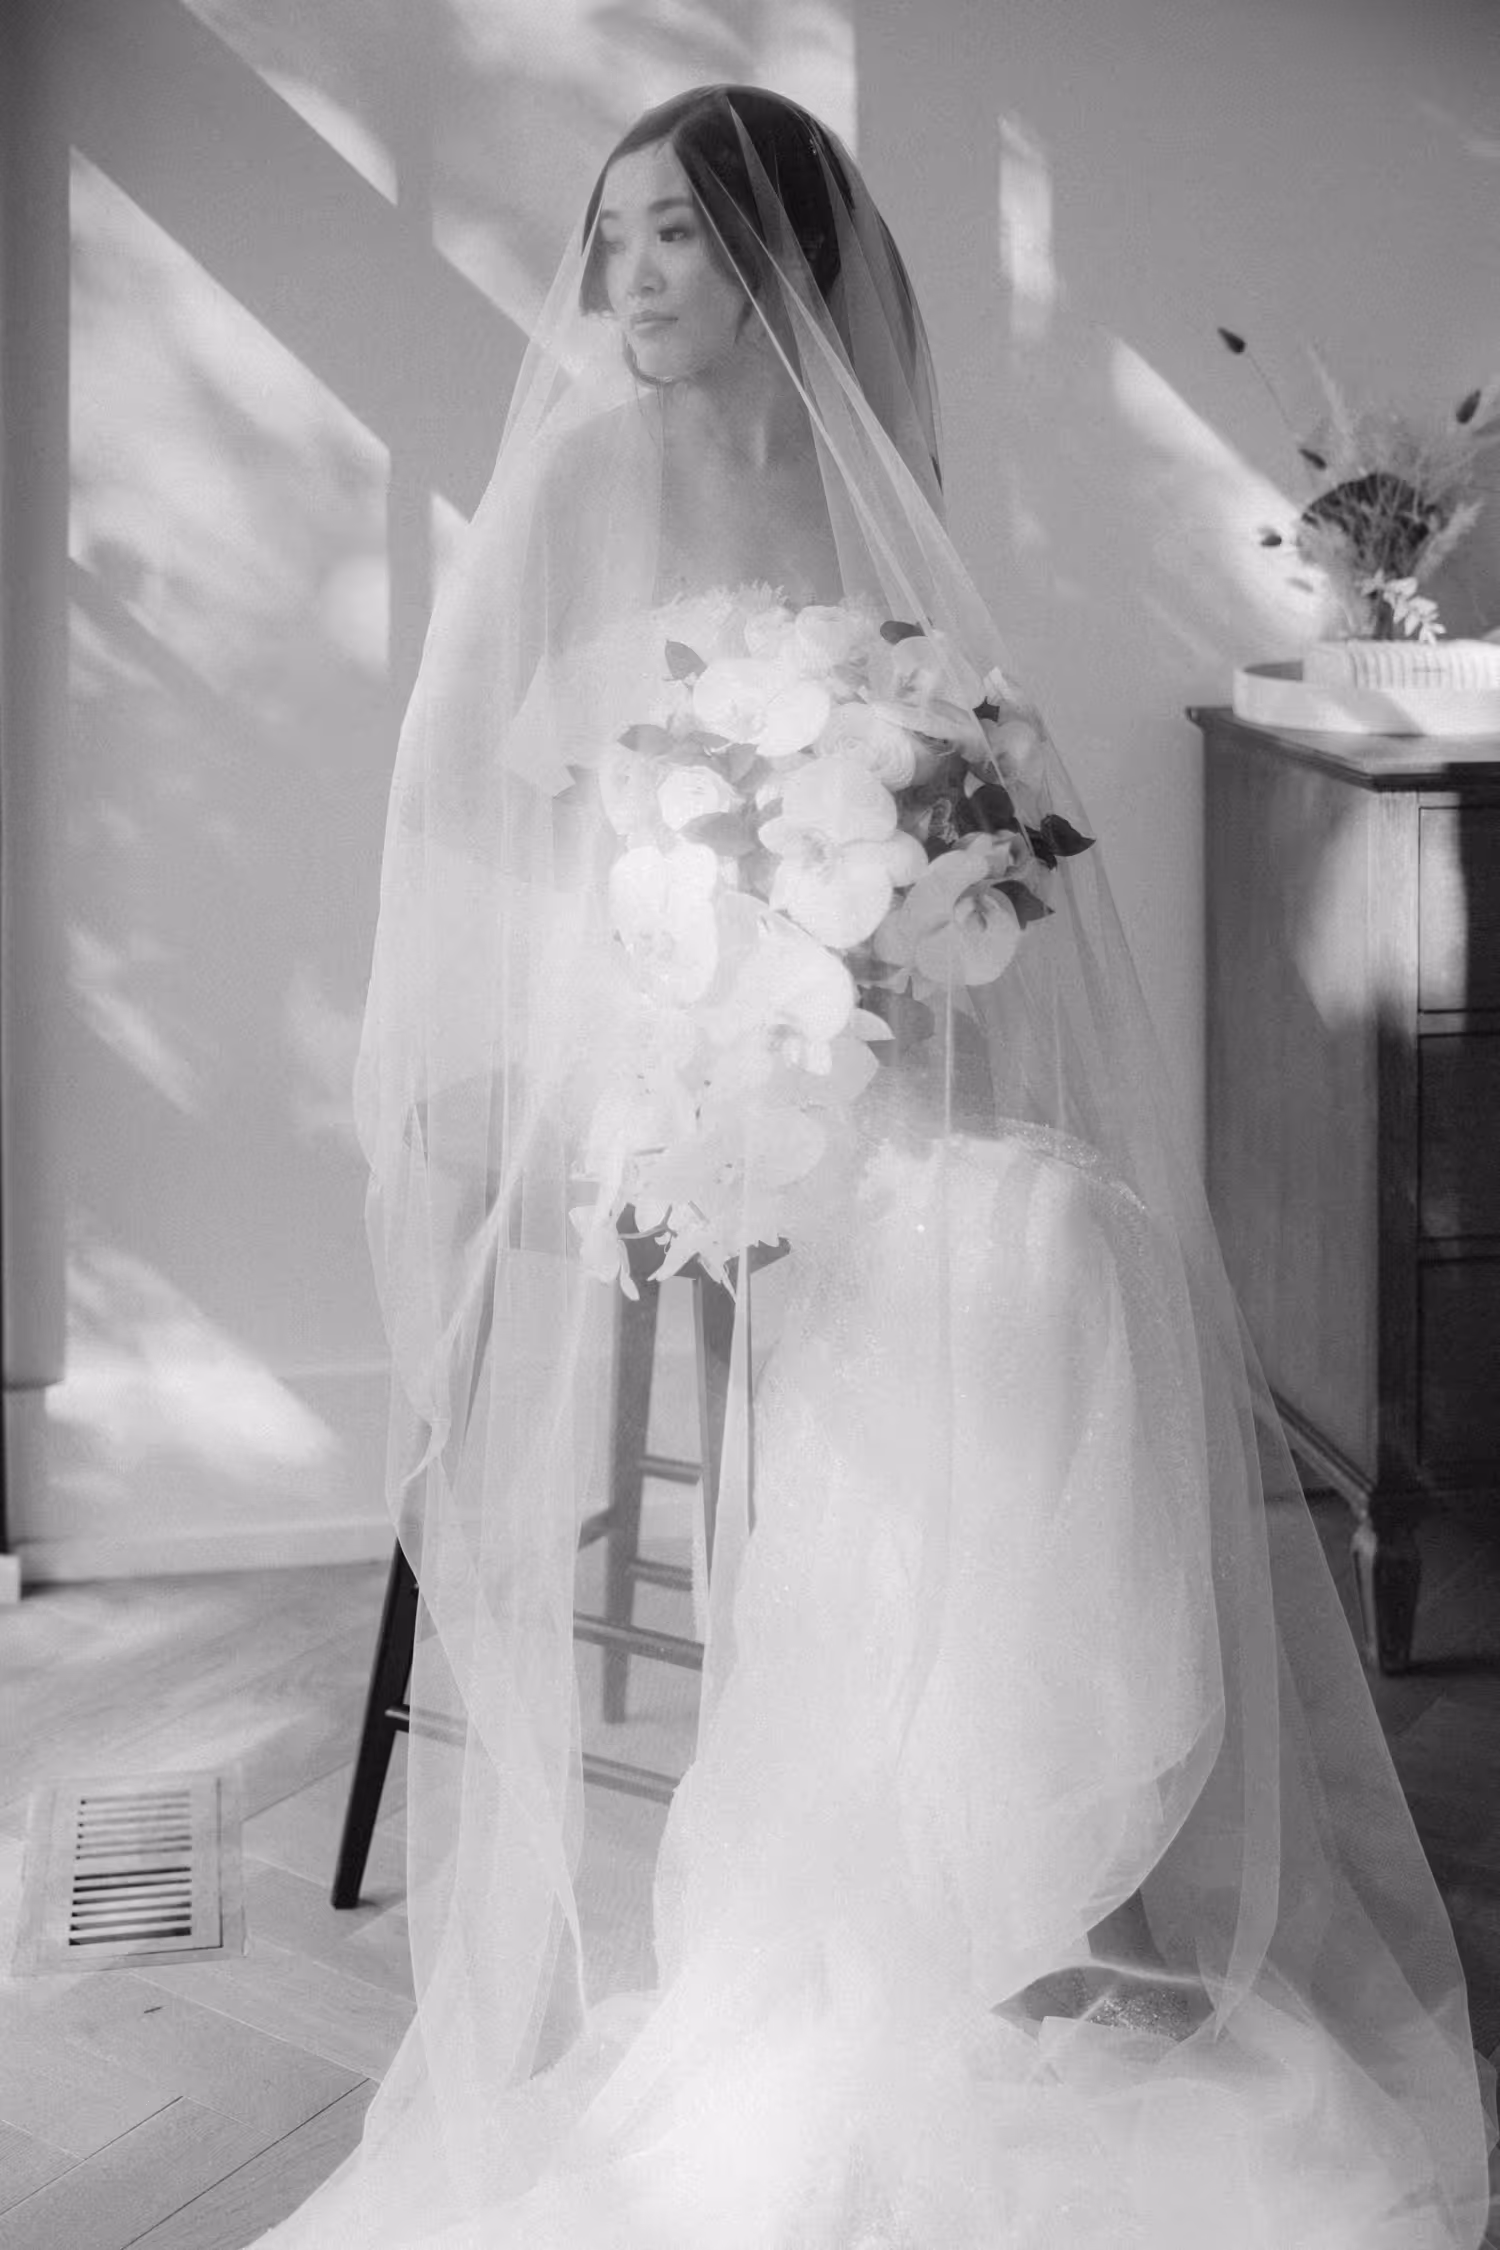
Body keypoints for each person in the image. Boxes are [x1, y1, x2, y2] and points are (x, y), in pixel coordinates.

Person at [256, 85, 1494, 2247]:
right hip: (636, 1035)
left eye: (674, 242)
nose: (628, 286)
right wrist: (690, 901)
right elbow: (471, 806)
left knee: (1070, 1247)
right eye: (612, 238)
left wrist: (915, 895)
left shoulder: (859, 477)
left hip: (836, 1032)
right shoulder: (586, 483)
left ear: (779, 262)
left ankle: (1004, 1857)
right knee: (1002, 1263)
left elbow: (949, 783)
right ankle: (921, 1875)